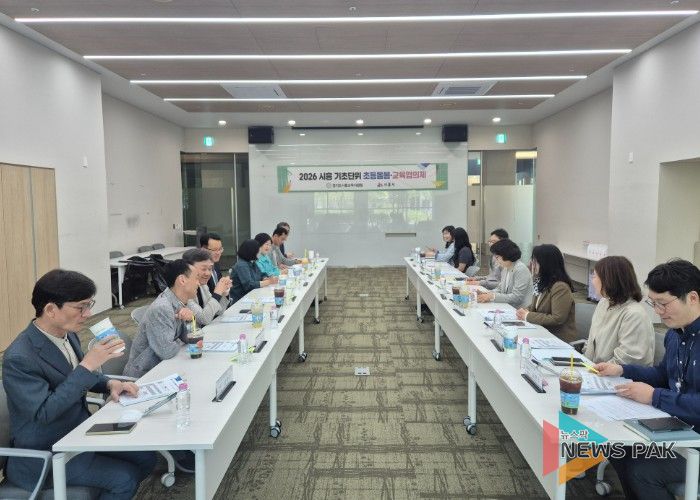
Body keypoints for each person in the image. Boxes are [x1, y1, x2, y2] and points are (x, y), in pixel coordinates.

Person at [2, 269, 156, 498]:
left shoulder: (68, 334)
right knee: (124, 479)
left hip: (78, 432)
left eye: (89, 305)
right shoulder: (19, 357)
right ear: (51, 310)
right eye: (81, 307)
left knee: (146, 458)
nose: (88, 313)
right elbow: (45, 412)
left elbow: (73, 376)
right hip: (47, 452)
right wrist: (88, 365)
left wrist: (109, 384)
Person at [596, 259, 700, 500]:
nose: (658, 311)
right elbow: (663, 375)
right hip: (678, 427)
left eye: (663, 303)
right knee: (618, 448)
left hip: (693, 439)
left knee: (642, 471)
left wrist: (654, 396)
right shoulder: (676, 335)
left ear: (692, 298)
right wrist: (622, 370)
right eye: (653, 303)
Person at [123, 259, 199, 378]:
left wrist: (190, 320)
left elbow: (189, 339)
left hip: (164, 367)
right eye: (196, 278)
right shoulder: (162, 308)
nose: (199, 283)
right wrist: (178, 342)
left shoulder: (179, 302)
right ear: (182, 280)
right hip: (144, 375)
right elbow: (166, 351)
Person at [583, 256, 655, 365]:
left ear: (608, 280)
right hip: (594, 369)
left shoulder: (634, 314)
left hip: (615, 374)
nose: (592, 281)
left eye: (595, 276)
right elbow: (592, 341)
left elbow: (627, 360)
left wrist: (594, 370)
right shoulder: (604, 302)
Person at [515, 244, 577, 342]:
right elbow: (535, 307)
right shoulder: (541, 282)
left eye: (535, 262)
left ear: (546, 264)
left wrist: (527, 315)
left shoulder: (560, 287)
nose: (532, 265)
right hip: (540, 332)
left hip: (557, 339)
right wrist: (524, 311)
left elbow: (557, 318)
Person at [476, 239, 533, 308]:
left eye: (497, 257)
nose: (496, 261)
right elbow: (500, 289)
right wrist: (487, 294)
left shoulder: (520, 269)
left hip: (519, 309)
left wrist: (492, 296)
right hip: (507, 306)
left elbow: (517, 297)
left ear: (506, 255)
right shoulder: (506, 268)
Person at [182, 248, 232, 326]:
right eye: (203, 269)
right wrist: (217, 293)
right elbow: (204, 319)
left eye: (210, 269)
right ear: (189, 269)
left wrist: (224, 293)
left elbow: (218, 311)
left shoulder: (203, 286)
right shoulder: (184, 289)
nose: (208, 273)